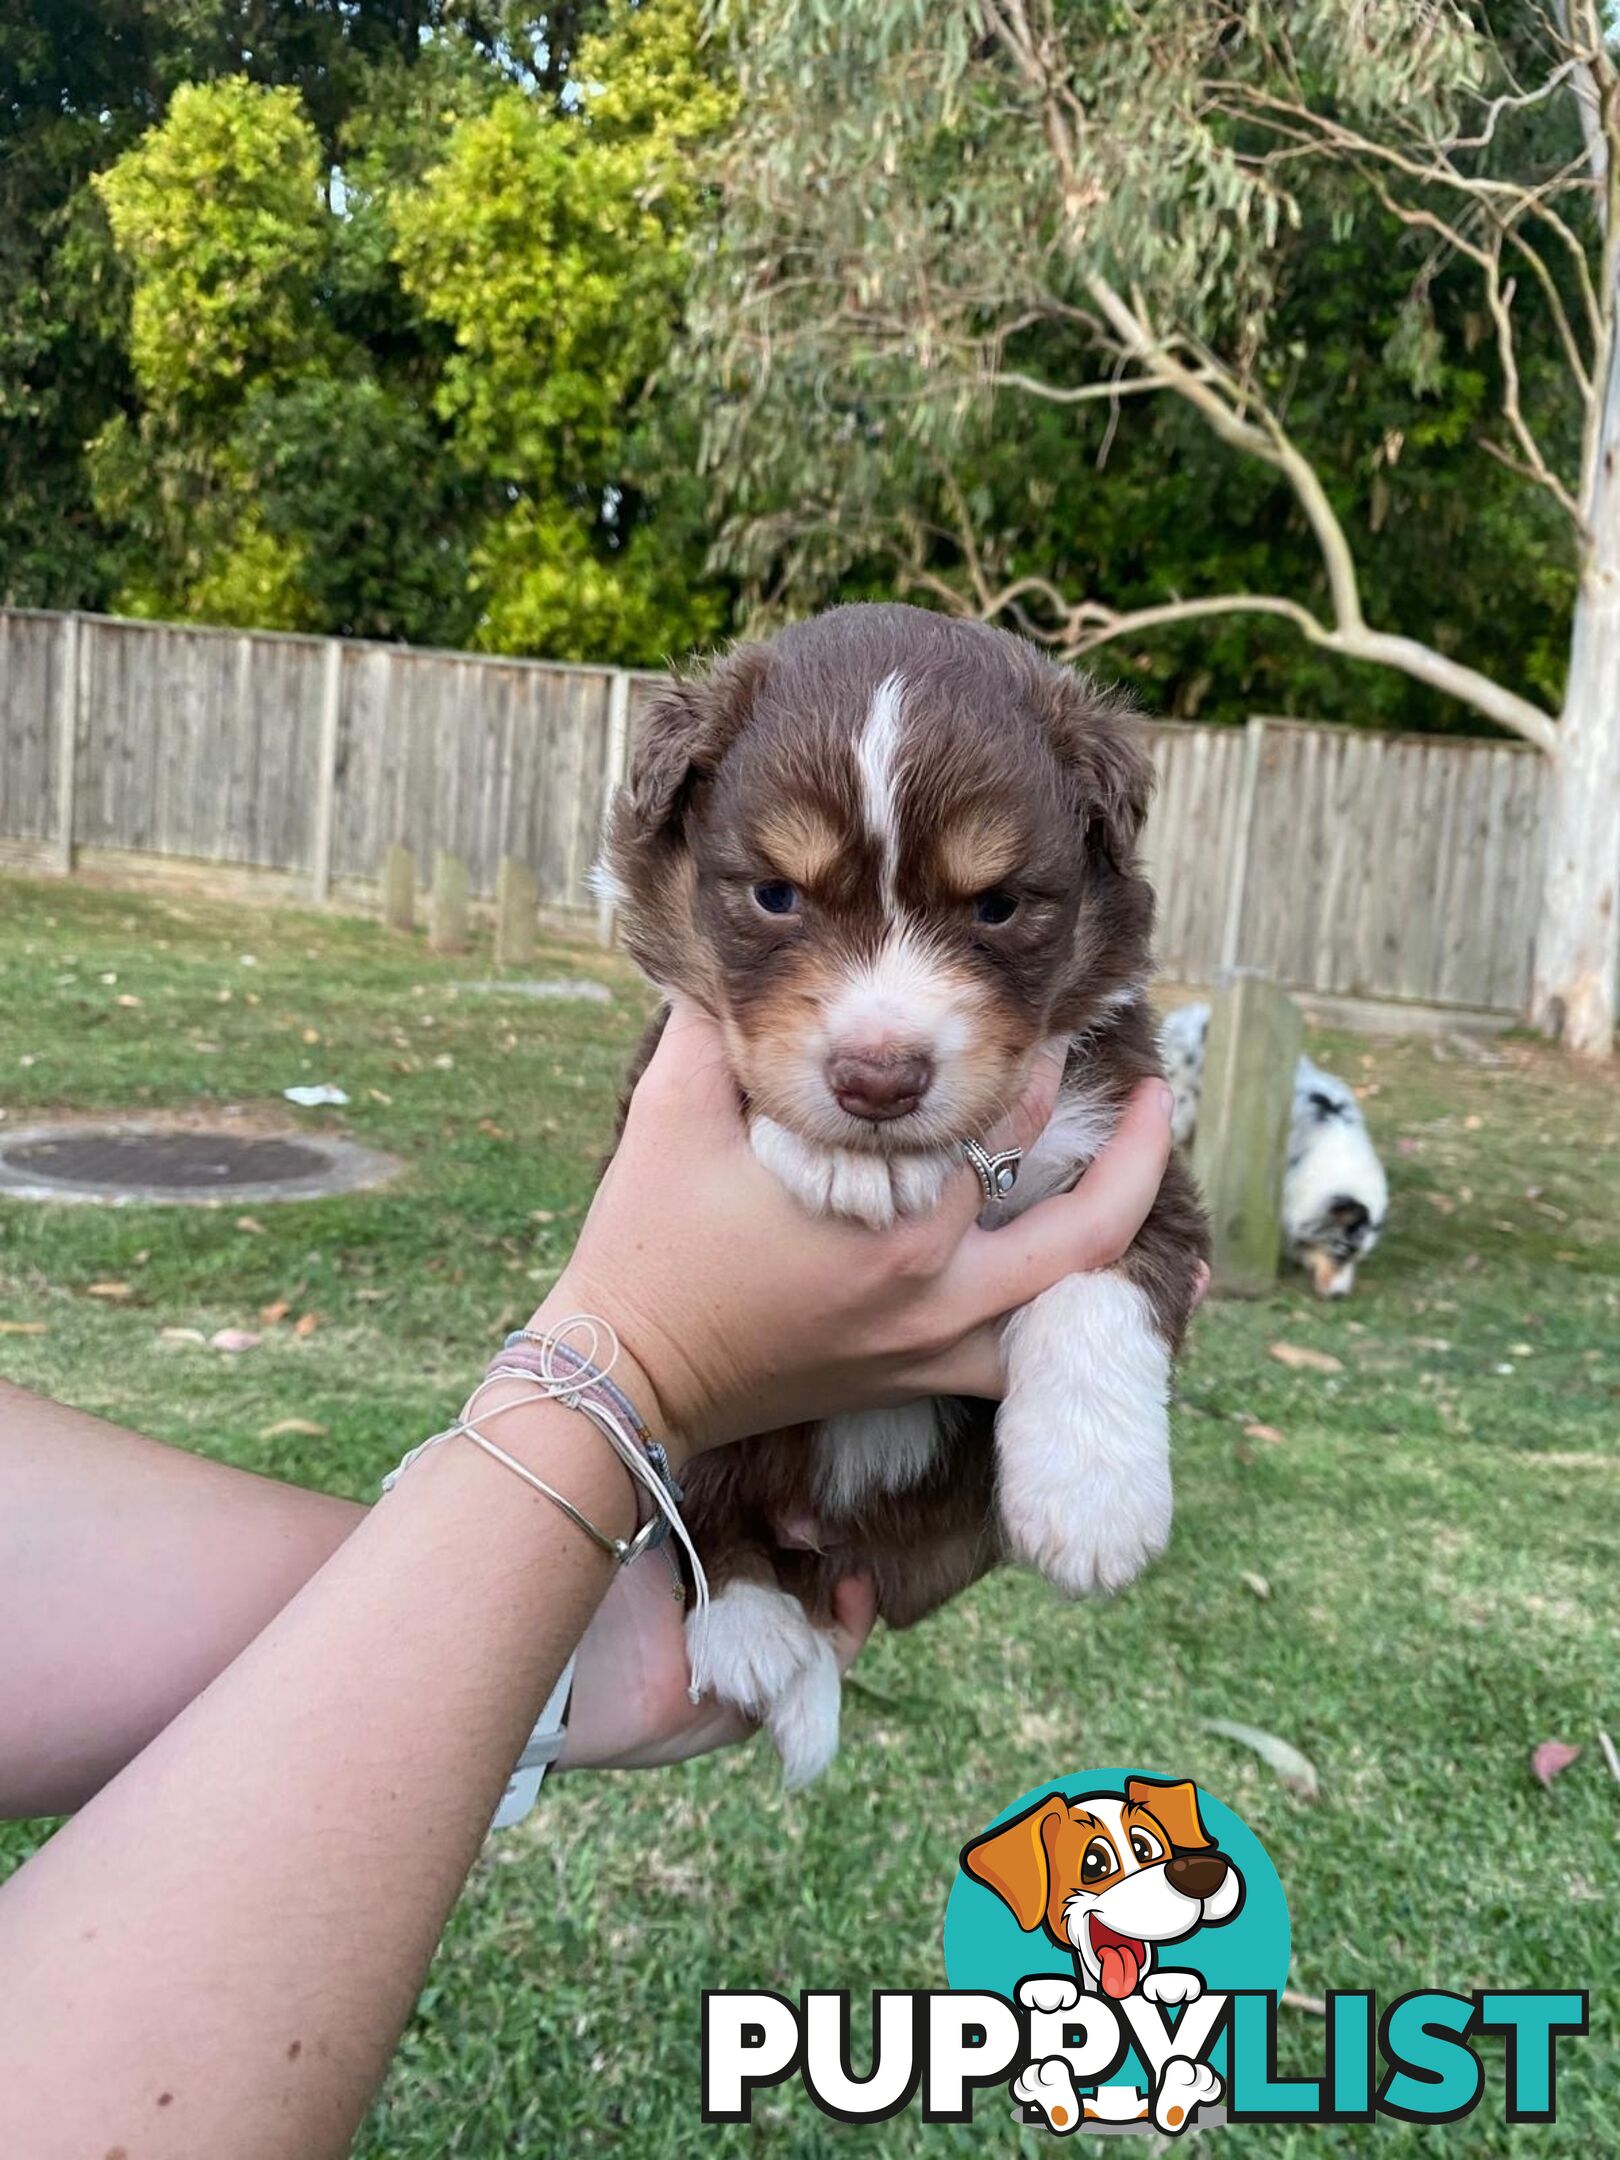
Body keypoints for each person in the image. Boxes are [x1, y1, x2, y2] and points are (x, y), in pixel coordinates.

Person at [0, 1001, 1178, 2159]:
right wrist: (638, 1358)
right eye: (777, 897)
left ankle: (695, 1594)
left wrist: (573, 1657)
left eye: (990, 907)